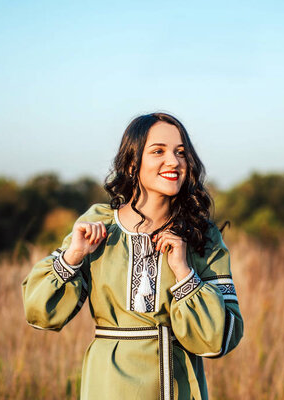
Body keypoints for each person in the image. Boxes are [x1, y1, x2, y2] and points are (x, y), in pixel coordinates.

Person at [21, 112, 243, 400]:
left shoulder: (203, 236)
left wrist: (184, 273)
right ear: (131, 163)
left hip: (177, 387)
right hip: (109, 385)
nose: (174, 161)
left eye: (181, 152)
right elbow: (39, 313)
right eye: (158, 151)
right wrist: (73, 256)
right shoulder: (99, 224)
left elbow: (220, 339)